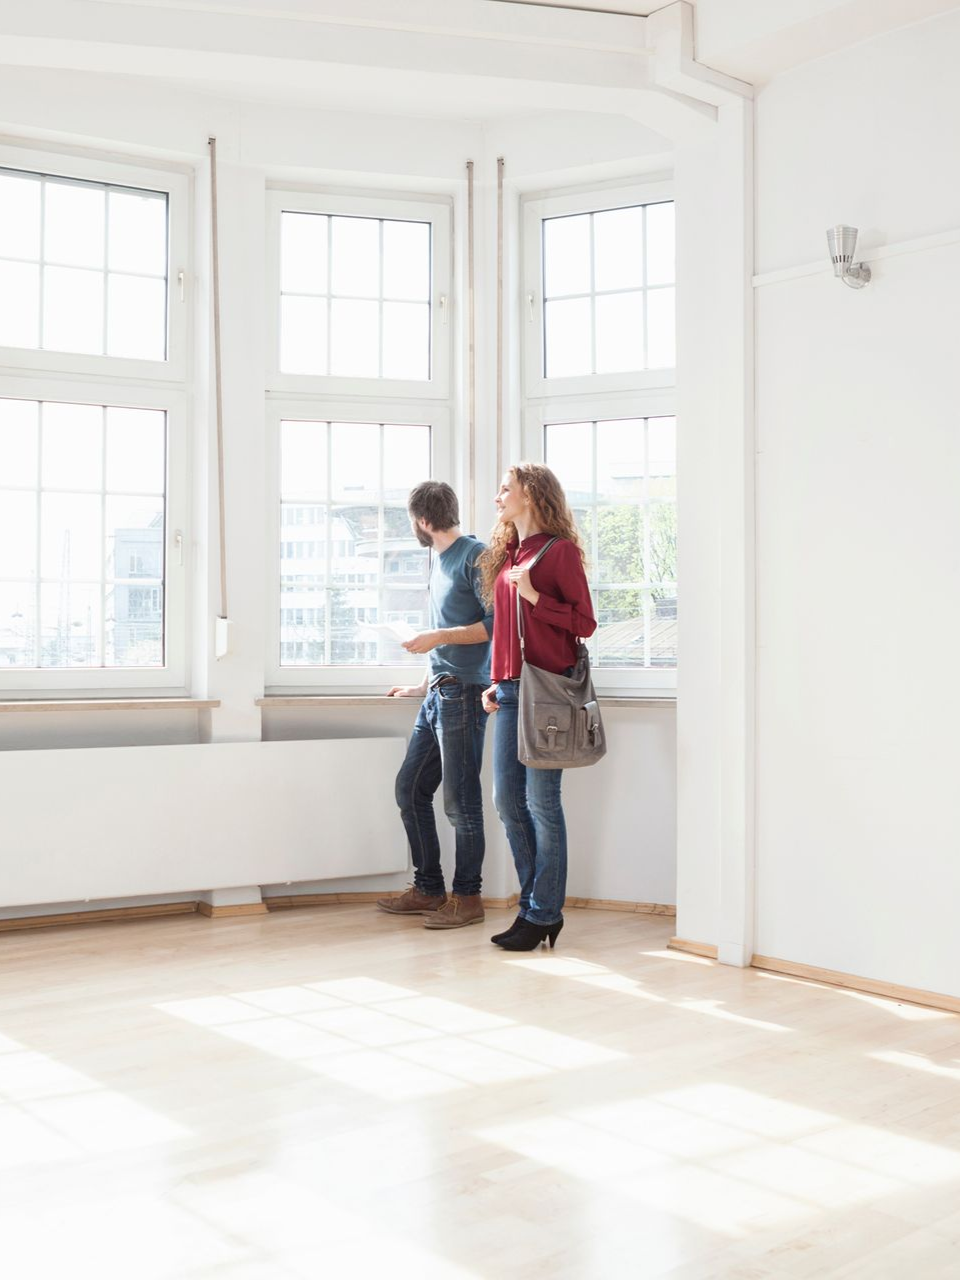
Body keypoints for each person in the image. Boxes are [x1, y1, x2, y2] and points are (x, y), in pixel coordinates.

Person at [480, 463, 597, 952]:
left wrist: (534, 596)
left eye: (506, 488)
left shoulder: (558, 552)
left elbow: (585, 622)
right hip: (510, 691)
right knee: (507, 801)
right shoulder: (509, 553)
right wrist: (495, 679)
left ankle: (542, 913)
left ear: (531, 495)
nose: (498, 497)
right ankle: (535, 904)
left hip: (546, 692)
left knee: (542, 804)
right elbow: (506, 628)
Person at [376, 481, 493, 930]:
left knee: (462, 802)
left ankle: (468, 899)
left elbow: (493, 626)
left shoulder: (474, 556)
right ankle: (428, 889)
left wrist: (434, 639)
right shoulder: (439, 561)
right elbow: (447, 630)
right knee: (410, 789)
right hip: (440, 691)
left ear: (422, 521)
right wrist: (421, 683)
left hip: (464, 694)